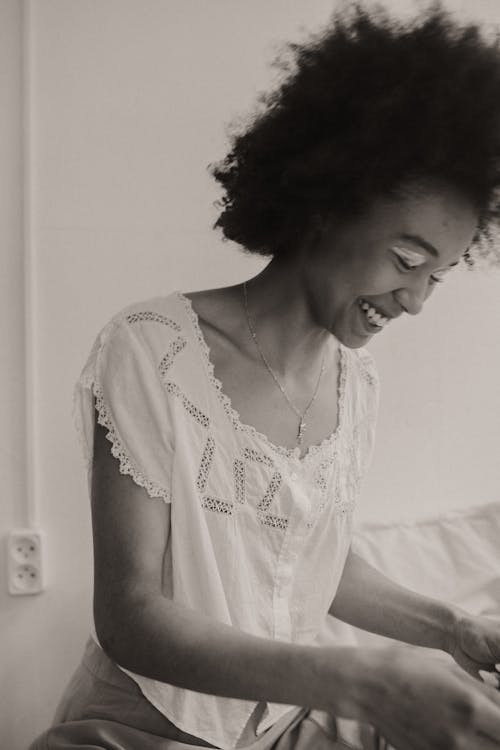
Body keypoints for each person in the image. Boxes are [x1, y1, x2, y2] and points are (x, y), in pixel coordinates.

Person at [30, 4, 500, 749]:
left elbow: (314, 563)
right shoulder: (154, 349)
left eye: (437, 278)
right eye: (407, 261)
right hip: (141, 728)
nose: (414, 301)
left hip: (281, 726)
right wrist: (366, 680)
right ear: (327, 204)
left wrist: (454, 628)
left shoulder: (357, 384)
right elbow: (131, 615)